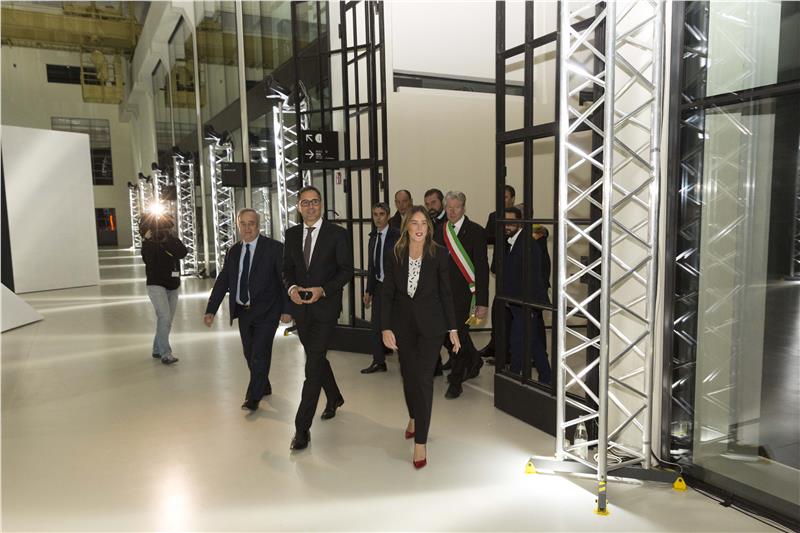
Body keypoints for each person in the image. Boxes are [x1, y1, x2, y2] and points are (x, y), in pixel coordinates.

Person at [381, 206, 460, 468]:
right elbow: (387, 293)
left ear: (429, 227)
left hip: (431, 328)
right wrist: (385, 327)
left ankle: (420, 442)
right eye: (414, 223)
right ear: (406, 227)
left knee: (424, 380)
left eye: (423, 223)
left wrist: (453, 329)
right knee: (408, 375)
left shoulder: (440, 254)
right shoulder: (395, 253)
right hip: (403, 326)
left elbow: (446, 293)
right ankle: (414, 416)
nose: (419, 228)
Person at [283, 186, 354, 451]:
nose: (310, 206)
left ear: (321, 205)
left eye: (315, 202)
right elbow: (286, 270)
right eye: (305, 202)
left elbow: (346, 271)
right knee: (317, 356)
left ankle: (301, 429)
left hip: (325, 309)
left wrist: (323, 290)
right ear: (298, 207)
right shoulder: (291, 235)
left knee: (312, 367)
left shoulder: (337, 234)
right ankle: (334, 396)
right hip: (301, 311)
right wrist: (292, 289)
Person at [204, 209, 291, 411]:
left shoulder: (274, 248)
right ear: (237, 225)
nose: (247, 228)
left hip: (268, 311)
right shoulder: (234, 251)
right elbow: (223, 281)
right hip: (244, 311)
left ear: (258, 225)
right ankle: (263, 384)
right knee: (249, 352)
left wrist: (287, 309)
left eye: (251, 223)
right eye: (242, 223)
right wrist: (211, 309)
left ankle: (253, 397)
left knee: (259, 353)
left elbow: (284, 280)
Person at [434, 191, 489, 398]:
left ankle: (456, 381)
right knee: (444, 335)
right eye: (449, 207)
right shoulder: (439, 231)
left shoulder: (476, 231)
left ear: (464, 208)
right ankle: (474, 360)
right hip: (441, 295)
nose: (452, 211)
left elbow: (482, 268)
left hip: (465, 296)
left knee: (457, 335)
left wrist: (482, 301)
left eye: (456, 207)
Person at [502, 208, 551, 382]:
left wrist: (531, 306)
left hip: (526, 303)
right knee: (534, 341)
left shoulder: (527, 244)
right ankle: (546, 377)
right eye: (505, 222)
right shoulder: (513, 241)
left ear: (520, 223)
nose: (507, 226)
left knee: (518, 341)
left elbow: (534, 277)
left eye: (511, 222)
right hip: (518, 302)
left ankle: (514, 377)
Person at [141, 213, 187, 365]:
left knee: (166, 320)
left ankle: (157, 349)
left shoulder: (172, 240)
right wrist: (146, 241)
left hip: (173, 284)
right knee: (165, 318)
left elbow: (182, 253)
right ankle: (166, 353)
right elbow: (148, 260)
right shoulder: (149, 242)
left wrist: (169, 239)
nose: (164, 231)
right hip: (156, 284)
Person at [362, 202, 401, 374]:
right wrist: (368, 290)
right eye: (375, 214)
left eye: (382, 214)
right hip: (379, 286)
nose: (378, 218)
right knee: (376, 326)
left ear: (388, 216)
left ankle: (408, 362)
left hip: (395, 287)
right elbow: (372, 266)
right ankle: (379, 361)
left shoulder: (397, 236)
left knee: (399, 325)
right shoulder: (373, 237)